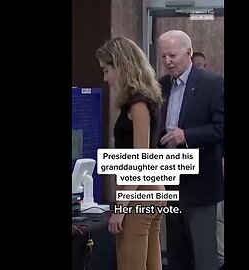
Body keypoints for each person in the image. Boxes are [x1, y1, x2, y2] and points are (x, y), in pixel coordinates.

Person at [96, 37, 166, 270]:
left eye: (107, 70)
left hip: (139, 194)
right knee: (150, 263)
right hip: (151, 191)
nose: (105, 78)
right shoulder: (146, 98)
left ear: (121, 65)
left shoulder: (138, 103)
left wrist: (121, 208)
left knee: (130, 264)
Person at [157, 30, 224, 270]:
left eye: (172, 55)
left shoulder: (212, 84)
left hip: (201, 183)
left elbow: (221, 128)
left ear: (189, 53)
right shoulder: (160, 86)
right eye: (163, 56)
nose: (167, 61)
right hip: (170, 182)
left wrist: (187, 136)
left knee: (204, 255)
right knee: (177, 254)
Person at [191, 51, 225, 269]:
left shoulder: (215, 87)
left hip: (214, 164)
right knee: (216, 220)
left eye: (203, 65)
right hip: (203, 169)